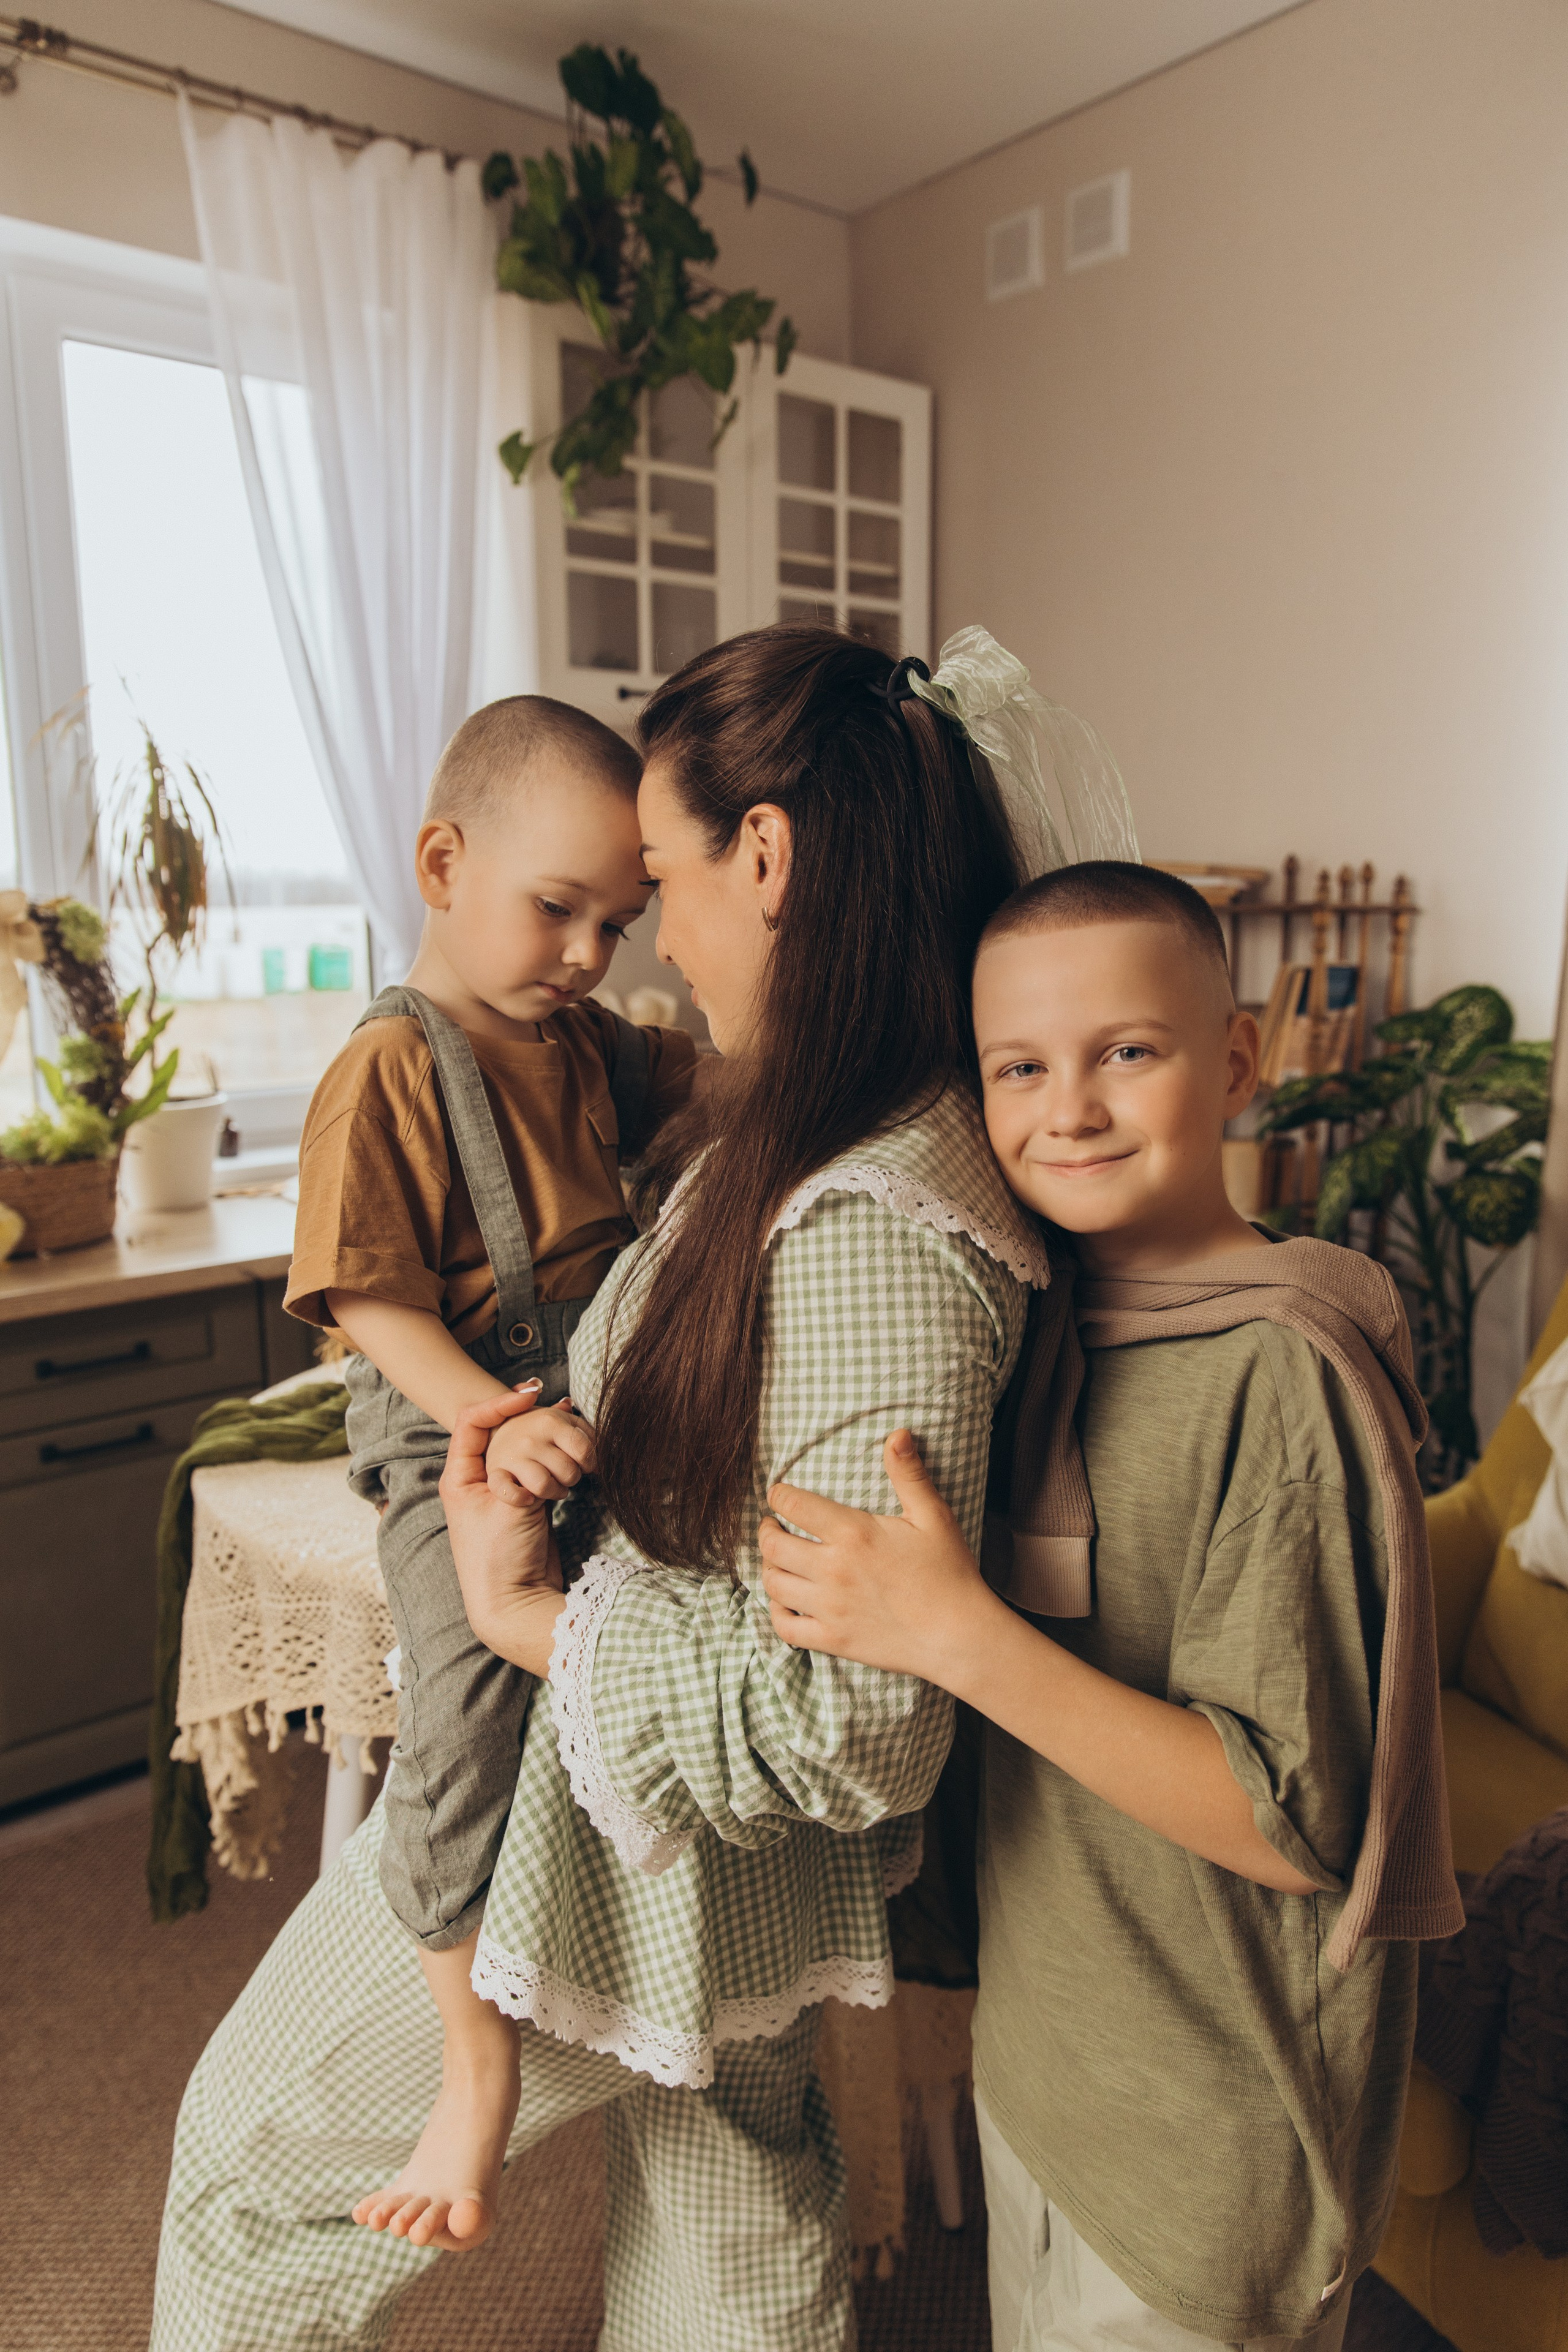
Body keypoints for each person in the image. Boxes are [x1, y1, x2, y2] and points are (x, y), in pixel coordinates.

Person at [153, 625, 1126, 2352]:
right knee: (723, 2230)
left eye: (657, 884)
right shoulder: (829, 1132)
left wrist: (528, 1617)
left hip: (604, 1840)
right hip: (681, 1846)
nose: (644, 945)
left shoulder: (869, 1228)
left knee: (248, 2175)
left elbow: (853, 1719)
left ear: (766, 858)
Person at [757, 861, 1464, 2352]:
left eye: (1124, 1051)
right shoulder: (1034, 1329)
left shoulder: (1277, 1376)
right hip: (1052, 2069)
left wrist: (955, 1635)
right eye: (1018, 1067)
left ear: (1234, 1058)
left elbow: (1291, 1822)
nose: (1067, 1109)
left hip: (1207, 2137)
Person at [281, 693, 699, 2252]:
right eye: (557, 909)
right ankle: (474, 2068)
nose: (588, 954)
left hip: (592, 1401)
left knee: (654, 1638)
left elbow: (712, 1090)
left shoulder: (584, 1039)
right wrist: (486, 1420)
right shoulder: (390, 1066)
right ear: (443, 864)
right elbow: (370, 1301)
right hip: (455, 1419)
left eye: (619, 923)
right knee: (466, 1702)